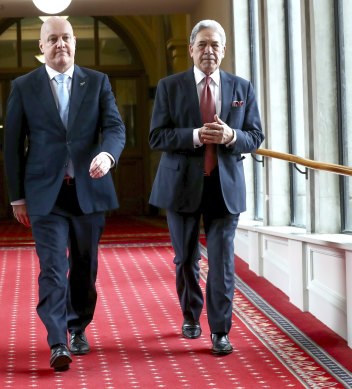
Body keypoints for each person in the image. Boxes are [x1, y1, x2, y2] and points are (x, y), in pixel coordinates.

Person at [4, 16, 125, 371]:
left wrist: (107, 154)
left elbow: (115, 128)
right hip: (45, 195)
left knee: (85, 269)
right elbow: (13, 146)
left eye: (66, 38)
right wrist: (17, 197)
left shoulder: (97, 81)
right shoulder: (24, 86)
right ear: (41, 47)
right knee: (54, 268)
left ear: (75, 42)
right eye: (53, 39)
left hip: (89, 189)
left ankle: (78, 325)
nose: (61, 44)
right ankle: (58, 340)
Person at [148, 19, 264, 355]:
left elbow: (255, 137)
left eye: (215, 45)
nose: (209, 51)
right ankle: (190, 315)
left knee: (223, 261)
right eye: (202, 45)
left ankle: (220, 331)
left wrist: (232, 136)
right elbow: (157, 136)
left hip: (224, 186)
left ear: (223, 50)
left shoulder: (242, 88)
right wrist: (195, 135)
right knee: (185, 259)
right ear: (191, 50)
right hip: (181, 184)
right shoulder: (170, 86)